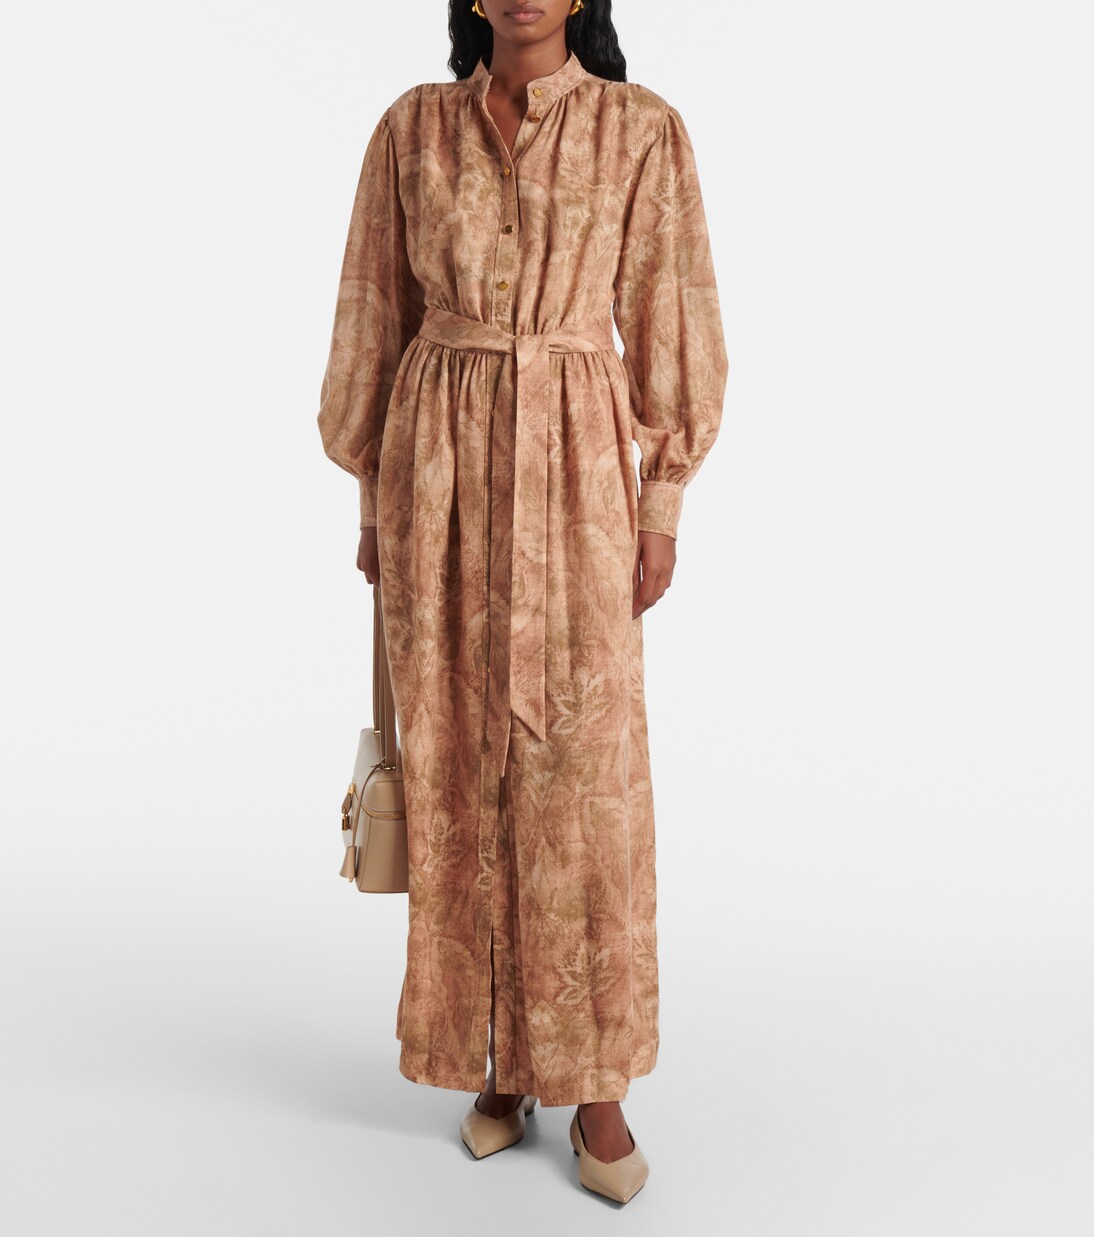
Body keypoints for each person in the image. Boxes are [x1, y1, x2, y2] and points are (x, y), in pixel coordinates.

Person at [317, 0, 727, 1205]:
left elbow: (670, 316)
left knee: (579, 779)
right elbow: (373, 316)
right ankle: (494, 1057)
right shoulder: (411, 130)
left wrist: (659, 502)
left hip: (576, 474)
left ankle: (593, 1082)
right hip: (437, 474)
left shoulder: (639, 132)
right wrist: (374, 503)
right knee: (456, 761)